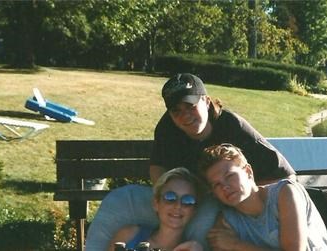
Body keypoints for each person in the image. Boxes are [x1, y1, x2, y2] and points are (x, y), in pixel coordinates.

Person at [85, 73, 296, 250]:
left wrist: (236, 197)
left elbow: (286, 175)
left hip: (222, 203)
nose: (184, 116)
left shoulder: (232, 126)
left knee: (208, 218)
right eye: (176, 110)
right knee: (120, 200)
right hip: (179, 197)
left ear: (205, 100)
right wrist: (167, 195)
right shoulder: (167, 127)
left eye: (190, 106)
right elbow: (157, 166)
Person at [198, 143, 327, 251]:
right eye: (216, 184)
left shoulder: (285, 193)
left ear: (248, 171)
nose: (225, 187)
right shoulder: (226, 221)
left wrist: (236, 245)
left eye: (229, 176)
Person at [108, 167, 202, 251]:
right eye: (170, 197)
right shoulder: (129, 235)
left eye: (187, 201)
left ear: (194, 211)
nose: (178, 205)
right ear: (156, 204)